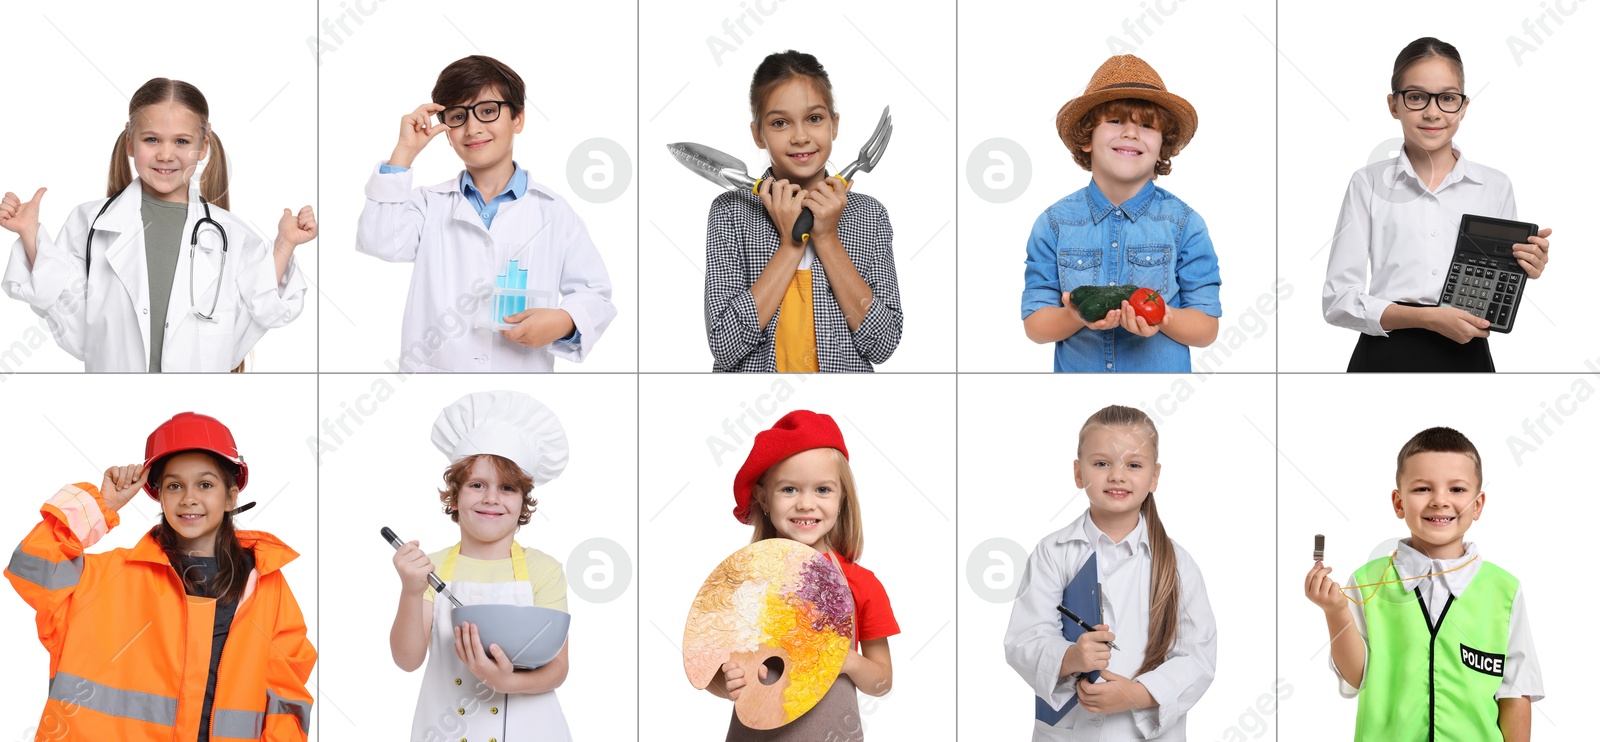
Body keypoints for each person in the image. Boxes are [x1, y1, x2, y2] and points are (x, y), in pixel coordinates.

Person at [5, 412, 315, 740]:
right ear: (160, 495)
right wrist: (103, 505)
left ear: (231, 496)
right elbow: (32, 566)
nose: (189, 497)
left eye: (205, 484)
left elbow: (287, 697)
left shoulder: (266, 585)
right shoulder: (106, 577)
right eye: (174, 485)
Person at [1, 78, 314, 372]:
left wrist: (284, 244)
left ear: (203, 146)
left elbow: (254, 316)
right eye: (152, 139)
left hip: (198, 406)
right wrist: (30, 234)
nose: (166, 154)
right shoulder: (91, 224)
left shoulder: (231, 235)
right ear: (129, 143)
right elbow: (76, 330)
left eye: (181, 141)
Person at [358, 55, 616, 372]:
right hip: (433, 384)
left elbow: (595, 294)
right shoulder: (429, 204)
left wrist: (563, 320)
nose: (473, 128)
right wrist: (404, 152)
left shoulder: (553, 211)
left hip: (519, 389)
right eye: (457, 116)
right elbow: (379, 241)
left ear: (517, 118)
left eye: (488, 111)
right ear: (447, 131)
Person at [1322, 37, 1554, 372]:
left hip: (1467, 351)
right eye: (1416, 97)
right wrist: (1428, 319)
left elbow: (1496, 285)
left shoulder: (1495, 186)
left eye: (1447, 98)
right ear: (1394, 104)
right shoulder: (1367, 183)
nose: (1433, 112)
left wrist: (1526, 266)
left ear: (1463, 106)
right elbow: (1338, 301)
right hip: (1384, 353)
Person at [1304, 427, 1543, 740]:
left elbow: (1516, 692)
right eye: (1422, 489)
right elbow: (1356, 677)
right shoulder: (1366, 583)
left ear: (1478, 504)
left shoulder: (1504, 590)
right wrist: (1335, 612)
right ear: (1399, 503)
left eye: (1457, 489)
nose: (1440, 501)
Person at [1005, 404, 1217, 739]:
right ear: (1078, 472)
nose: (1117, 475)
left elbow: (1196, 657)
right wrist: (1072, 657)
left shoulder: (1178, 562)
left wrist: (1137, 695)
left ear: (1154, 476)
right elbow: (1024, 641)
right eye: (1101, 463)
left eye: (1133, 464)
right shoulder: (1051, 552)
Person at [704, 50, 904, 372]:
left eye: (814, 118)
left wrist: (826, 238)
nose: (800, 137)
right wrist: (790, 245)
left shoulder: (870, 216)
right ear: (758, 134)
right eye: (780, 122)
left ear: (834, 124)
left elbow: (881, 344)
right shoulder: (730, 213)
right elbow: (726, 347)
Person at [389, 391, 573, 740]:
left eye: (507, 488)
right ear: (455, 495)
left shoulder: (543, 570)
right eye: (477, 485)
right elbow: (407, 659)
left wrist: (508, 682)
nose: (491, 498)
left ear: (523, 502)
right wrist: (411, 591)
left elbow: (558, 669)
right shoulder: (432, 567)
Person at [1021, 55, 1222, 372]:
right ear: (1087, 139)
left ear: (1161, 147)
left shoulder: (1185, 224)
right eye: (1115, 121)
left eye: (1146, 125)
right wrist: (1075, 314)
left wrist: (1160, 316)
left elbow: (1207, 328)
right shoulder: (1054, 224)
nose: (1131, 133)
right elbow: (1035, 325)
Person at [704, 410, 896, 740]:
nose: (806, 504)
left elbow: (882, 682)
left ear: (842, 499)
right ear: (764, 498)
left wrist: (846, 661)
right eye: (789, 490)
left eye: (822, 490)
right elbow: (708, 671)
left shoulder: (861, 584)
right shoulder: (743, 581)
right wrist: (728, 681)